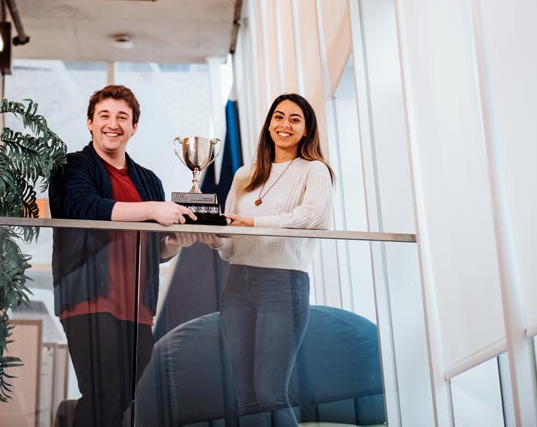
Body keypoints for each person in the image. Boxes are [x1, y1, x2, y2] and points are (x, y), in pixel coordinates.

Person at [50, 84, 198, 427]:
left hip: (137, 308)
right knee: (103, 396)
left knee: (129, 401)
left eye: (122, 117)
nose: (112, 124)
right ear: (89, 122)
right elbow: (85, 208)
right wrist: (154, 210)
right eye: (104, 115)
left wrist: (177, 242)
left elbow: (156, 252)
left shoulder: (149, 181)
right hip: (89, 300)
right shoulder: (72, 167)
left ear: (134, 127)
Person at [208, 93, 333, 425]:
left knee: (269, 391)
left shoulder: (314, 170)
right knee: (246, 397)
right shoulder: (243, 176)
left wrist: (253, 222)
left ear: (307, 130)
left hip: (283, 283)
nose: (285, 124)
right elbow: (232, 245)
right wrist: (216, 239)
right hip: (236, 283)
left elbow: (313, 218)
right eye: (278, 117)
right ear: (268, 124)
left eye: (295, 119)